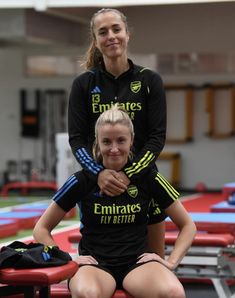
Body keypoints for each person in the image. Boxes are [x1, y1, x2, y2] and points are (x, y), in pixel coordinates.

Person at [34, 105, 196, 298]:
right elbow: (41, 229)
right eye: (106, 141)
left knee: (173, 293)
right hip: (95, 264)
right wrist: (67, 259)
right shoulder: (81, 180)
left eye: (121, 140)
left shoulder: (149, 178)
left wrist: (171, 261)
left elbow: (188, 225)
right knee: (88, 294)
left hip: (138, 263)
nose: (114, 148)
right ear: (98, 143)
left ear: (132, 140)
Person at [68, 7, 167, 257]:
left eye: (116, 29)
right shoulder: (83, 84)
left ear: (127, 34)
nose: (111, 36)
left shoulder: (149, 81)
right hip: (96, 182)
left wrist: (130, 174)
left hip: (145, 180)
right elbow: (77, 139)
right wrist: (98, 173)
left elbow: (157, 137)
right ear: (96, 40)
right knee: (101, 257)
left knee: (154, 262)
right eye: (103, 32)